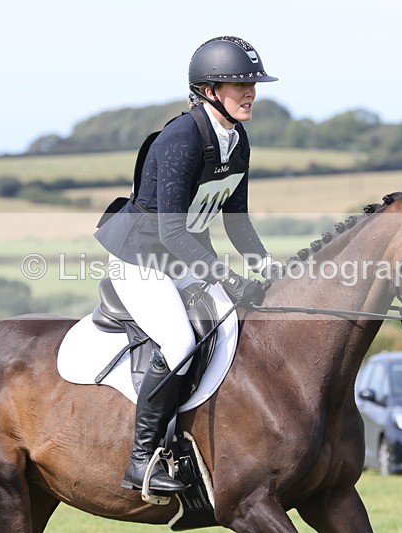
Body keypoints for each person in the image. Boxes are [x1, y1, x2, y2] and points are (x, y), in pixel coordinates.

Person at [94, 36, 280, 495]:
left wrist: (270, 269)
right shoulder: (182, 138)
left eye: (253, 83)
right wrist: (229, 277)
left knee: (238, 326)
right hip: (142, 260)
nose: (250, 92)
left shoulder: (236, 141)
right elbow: (171, 232)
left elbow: (237, 223)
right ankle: (141, 461)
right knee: (179, 341)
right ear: (209, 90)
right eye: (240, 84)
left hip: (185, 258)